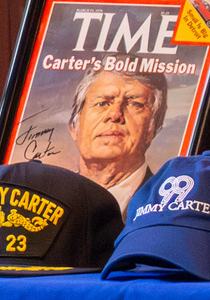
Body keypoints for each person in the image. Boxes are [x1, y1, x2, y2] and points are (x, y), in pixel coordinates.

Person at [66, 66, 168, 208]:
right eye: (101, 103)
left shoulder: (167, 204)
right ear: (73, 127)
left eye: (135, 104)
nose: (115, 114)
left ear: (153, 128)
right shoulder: (50, 195)